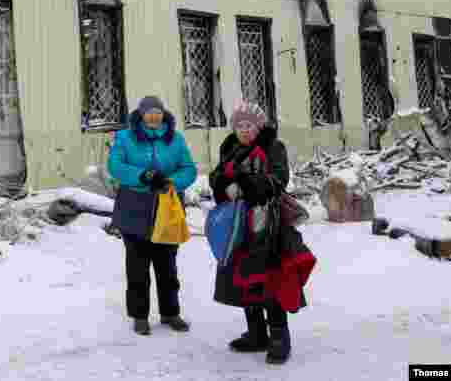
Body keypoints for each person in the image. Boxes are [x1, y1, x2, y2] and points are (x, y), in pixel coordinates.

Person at [209, 99, 315, 365]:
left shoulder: (272, 147)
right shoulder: (230, 147)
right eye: (239, 126)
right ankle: (257, 333)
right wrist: (223, 185)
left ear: (259, 126)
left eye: (249, 126)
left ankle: (279, 337)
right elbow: (217, 176)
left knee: (271, 279)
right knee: (245, 278)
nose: (244, 130)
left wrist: (245, 185)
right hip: (240, 225)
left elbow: (279, 179)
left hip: (270, 225)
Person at [107, 96, 198, 335]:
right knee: (137, 266)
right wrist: (143, 176)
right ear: (141, 114)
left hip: (167, 207)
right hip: (134, 207)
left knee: (167, 265)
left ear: (163, 114)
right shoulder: (125, 138)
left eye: (158, 112)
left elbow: (189, 169)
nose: (154, 116)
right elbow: (115, 166)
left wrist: (171, 182)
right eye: (149, 112)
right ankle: (139, 315)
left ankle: (170, 313)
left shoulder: (175, 139)